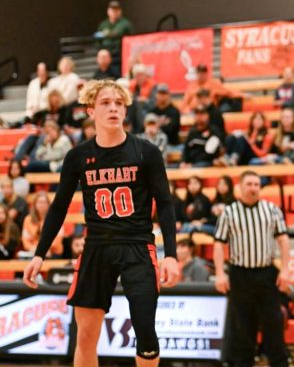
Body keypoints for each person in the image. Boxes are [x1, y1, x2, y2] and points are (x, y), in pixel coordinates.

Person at [23, 79, 180, 366]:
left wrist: (170, 254)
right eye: (105, 103)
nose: (113, 108)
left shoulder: (147, 152)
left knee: (146, 333)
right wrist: (38, 254)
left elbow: (166, 205)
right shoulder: (78, 156)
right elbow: (58, 208)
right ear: (90, 111)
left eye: (119, 103)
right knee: (85, 336)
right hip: (96, 247)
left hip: (137, 247)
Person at [213, 171, 290, 367]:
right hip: (240, 274)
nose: (254, 188)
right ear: (240, 187)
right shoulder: (229, 212)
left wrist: (285, 269)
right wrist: (220, 273)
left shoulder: (272, 210)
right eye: (249, 184)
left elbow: (283, 239)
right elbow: (218, 244)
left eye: (257, 184)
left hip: (266, 273)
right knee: (242, 328)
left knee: (274, 324)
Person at [21, 191, 64, 257]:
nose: (42, 205)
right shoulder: (28, 219)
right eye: (39, 202)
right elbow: (25, 240)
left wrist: (44, 250)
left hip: (53, 252)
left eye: (44, 202)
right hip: (33, 251)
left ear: (48, 204)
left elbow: (58, 239)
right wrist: (34, 249)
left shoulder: (56, 218)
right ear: (35, 204)